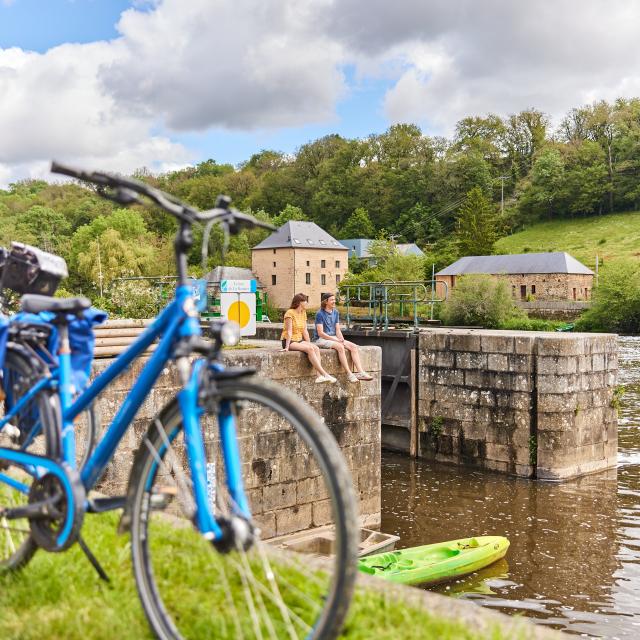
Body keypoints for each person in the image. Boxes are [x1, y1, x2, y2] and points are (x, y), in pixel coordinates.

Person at [314, 292, 373, 382]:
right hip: (321, 339)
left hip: (333, 337)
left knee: (353, 347)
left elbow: (337, 330)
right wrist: (335, 340)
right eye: (332, 300)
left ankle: (361, 372)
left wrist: (341, 339)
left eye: (334, 299)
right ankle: (349, 374)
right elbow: (320, 333)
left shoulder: (336, 312)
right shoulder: (320, 314)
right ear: (326, 302)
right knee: (340, 347)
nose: (334, 301)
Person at [281, 293, 337, 384]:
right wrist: (287, 347)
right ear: (299, 302)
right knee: (310, 349)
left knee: (315, 348)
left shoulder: (303, 312)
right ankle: (325, 374)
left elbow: (305, 331)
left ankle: (319, 377)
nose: (306, 302)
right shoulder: (289, 313)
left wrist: (309, 343)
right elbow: (289, 331)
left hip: (299, 340)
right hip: (289, 341)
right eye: (305, 301)